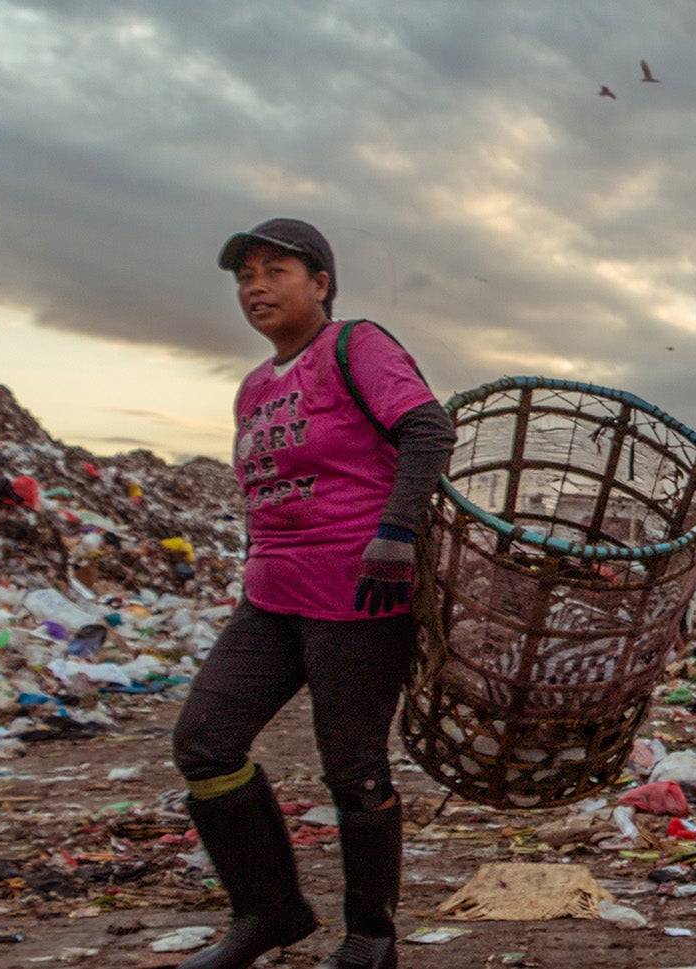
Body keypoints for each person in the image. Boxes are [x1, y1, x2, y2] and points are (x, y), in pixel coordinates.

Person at [169, 218, 455, 969]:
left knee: (352, 766)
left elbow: (427, 428)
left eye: (275, 271)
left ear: (321, 283)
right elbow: (261, 491)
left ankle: (370, 937)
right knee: (205, 741)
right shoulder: (253, 388)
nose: (255, 287)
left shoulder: (355, 345)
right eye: (244, 276)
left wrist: (395, 534)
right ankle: (269, 911)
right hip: (271, 595)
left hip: (359, 592)